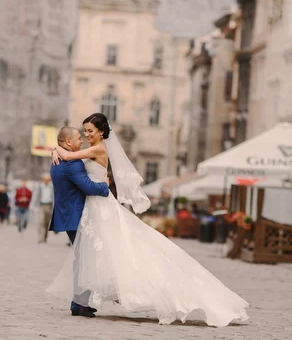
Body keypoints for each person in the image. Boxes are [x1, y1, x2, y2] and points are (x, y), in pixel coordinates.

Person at [47, 113, 249, 326]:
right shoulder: (87, 150)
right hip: (94, 208)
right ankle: (84, 299)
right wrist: (56, 149)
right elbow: (71, 156)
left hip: (101, 205)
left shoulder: (99, 148)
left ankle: (93, 297)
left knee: (118, 250)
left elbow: (70, 157)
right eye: (84, 131)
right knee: (100, 253)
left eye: (90, 131)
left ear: (101, 132)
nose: (86, 135)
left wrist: (58, 149)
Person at [49, 126, 110, 318]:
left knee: (83, 258)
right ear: (68, 142)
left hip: (67, 214)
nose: (82, 140)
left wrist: (54, 149)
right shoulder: (72, 164)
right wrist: (105, 186)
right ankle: (78, 303)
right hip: (76, 215)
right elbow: (89, 187)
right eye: (78, 138)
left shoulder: (57, 160)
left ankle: (81, 300)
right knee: (83, 259)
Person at [33, 174, 54, 243]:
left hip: (49, 206)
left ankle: (45, 236)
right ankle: (41, 238)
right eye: (45, 179)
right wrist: (34, 205)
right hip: (41, 206)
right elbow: (36, 196)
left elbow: (54, 197)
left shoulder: (52, 187)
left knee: (46, 223)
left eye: (47, 179)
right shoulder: (40, 186)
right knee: (41, 222)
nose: (46, 181)